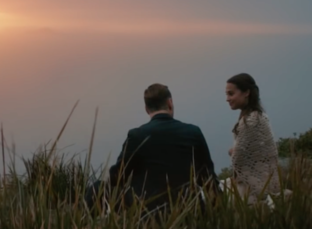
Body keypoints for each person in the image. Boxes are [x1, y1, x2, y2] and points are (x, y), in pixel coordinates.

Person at [85, 83, 219, 215]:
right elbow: (208, 178)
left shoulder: (136, 135)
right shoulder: (193, 132)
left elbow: (118, 176)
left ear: (146, 109)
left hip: (148, 213)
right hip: (189, 211)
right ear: (170, 103)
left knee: (98, 188)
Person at [225, 73, 281, 204]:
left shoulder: (251, 120)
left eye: (231, 94)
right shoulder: (258, 116)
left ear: (246, 92)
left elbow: (239, 158)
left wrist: (232, 152)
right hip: (260, 181)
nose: (227, 98)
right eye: (226, 94)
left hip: (252, 189)